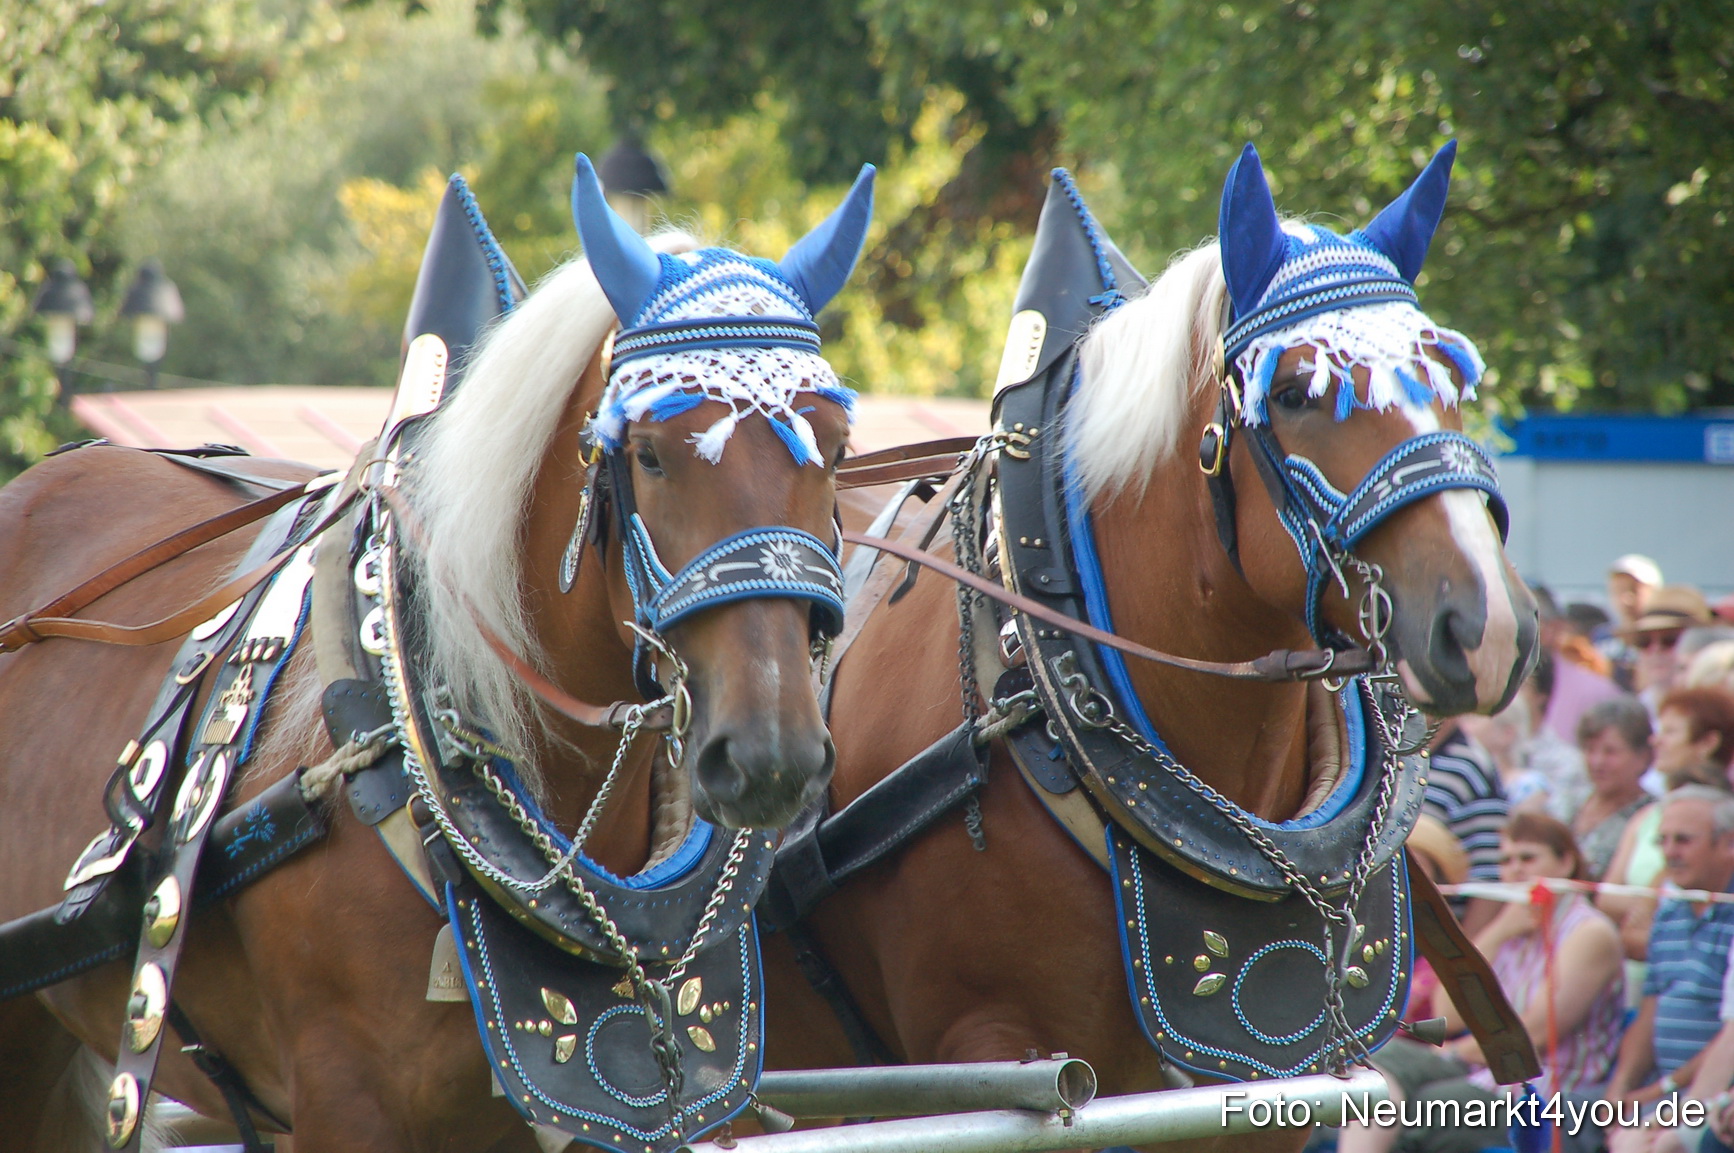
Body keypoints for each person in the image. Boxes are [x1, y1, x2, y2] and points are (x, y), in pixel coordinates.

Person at [1338, 814, 1625, 1153]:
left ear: (1566, 862)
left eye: (1528, 858)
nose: (1515, 870)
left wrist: (1457, 1053)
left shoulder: (1588, 932)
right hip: (1482, 1068)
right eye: (1506, 860)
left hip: (1544, 1085)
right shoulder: (1513, 922)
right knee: (1377, 1061)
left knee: (1430, 1105)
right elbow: (1449, 1013)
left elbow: (1533, 1034)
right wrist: (1500, 930)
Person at [1600, 786, 1734, 1153]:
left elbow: (1729, 1038)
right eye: (1663, 840)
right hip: (1664, 1092)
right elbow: (1649, 1015)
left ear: (1728, 843)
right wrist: (1620, 1088)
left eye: (1684, 840)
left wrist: (1665, 1091)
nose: (1669, 853)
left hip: (1711, 1094)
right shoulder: (1669, 913)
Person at [1602, 689, 1734, 963]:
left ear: (1708, 742)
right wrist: (1653, 909)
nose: (1656, 740)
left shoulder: (1726, 818)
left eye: (1670, 732)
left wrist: (1653, 913)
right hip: (1644, 976)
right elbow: (1605, 898)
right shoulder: (1647, 815)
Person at [1424, 721, 1509, 932]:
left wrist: (1457, 959)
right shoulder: (1391, 750)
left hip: (1434, 930)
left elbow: (1489, 878)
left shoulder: (1472, 766)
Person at [1557, 697, 1654, 881]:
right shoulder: (1568, 802)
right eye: (1590, 750)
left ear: (1642, 756)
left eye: (1610, 752)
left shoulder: (1650, 817)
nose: (1597, 762)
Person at [1627, 586, 1717, 721]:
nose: (1655, 650)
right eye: (1644, 641)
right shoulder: (1635, 712)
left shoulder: (1717, 709)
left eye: (1670, 640)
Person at [1603, 555, 1665, 690]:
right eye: (1618, 590)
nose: (1626, 599)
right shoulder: (1601, 637)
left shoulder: (1664, 641)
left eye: (1634, 590)